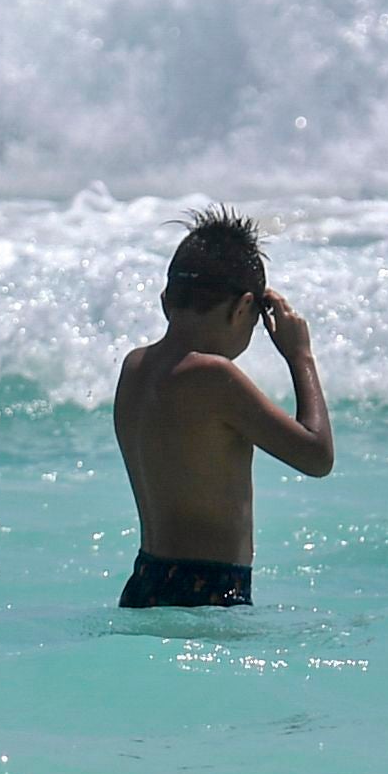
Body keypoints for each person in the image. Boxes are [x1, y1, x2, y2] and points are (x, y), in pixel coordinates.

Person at [108, 214, 332, 606]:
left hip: (144, 581)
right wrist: (301, 357)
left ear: (166, 301)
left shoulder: (135, 367)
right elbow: (316, 455)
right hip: (207, 588)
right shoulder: (214, 376)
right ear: (244, 307)